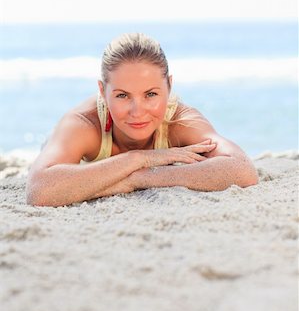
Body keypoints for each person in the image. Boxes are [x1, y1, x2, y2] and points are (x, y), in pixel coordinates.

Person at [26, 33, 258, 207]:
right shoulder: (85, 123)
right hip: (61, 146)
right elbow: (39, 190)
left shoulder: (180, 120)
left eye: (151, 94)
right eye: (122, 95)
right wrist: (140, 158)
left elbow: (242, 169)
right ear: (102, 91)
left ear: (169, 86)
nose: (137, 111)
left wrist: (140, 178)